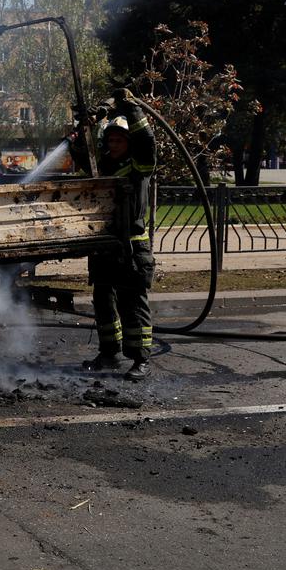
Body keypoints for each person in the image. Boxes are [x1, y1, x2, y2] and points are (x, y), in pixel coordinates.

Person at [73, 89, 157, 381]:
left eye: (119, 139)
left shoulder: (139, 166)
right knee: (102, 300)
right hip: (104, 245)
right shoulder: (103, 166)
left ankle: (140, 360)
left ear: (129, 142)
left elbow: (147, 143)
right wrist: (85, 122)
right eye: (110, 139)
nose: (114, 143)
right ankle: (109, 353)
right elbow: (80, 151)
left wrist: (132, 109)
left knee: (131, 303)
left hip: (131, 247)